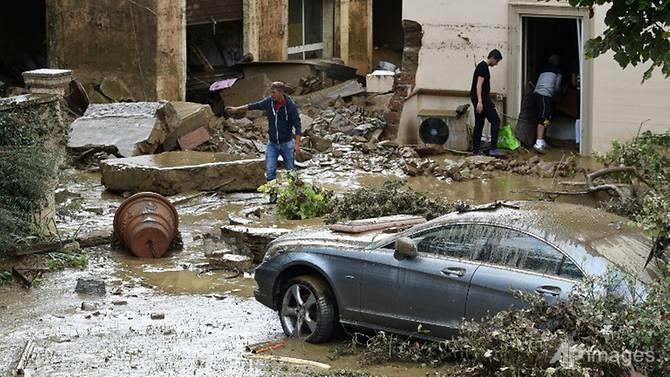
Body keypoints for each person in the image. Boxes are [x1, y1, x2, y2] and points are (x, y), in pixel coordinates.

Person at [226, 81, 302, 187]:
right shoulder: (269, 102)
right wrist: (237, 109)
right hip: (272, 144)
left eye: (274, 93)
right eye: (271, 93)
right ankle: (272, 196)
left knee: (291, 171)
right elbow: (253, 106)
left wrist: (297, 145)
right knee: (270, 171)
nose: (272, 95)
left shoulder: (290, 107)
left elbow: (298, 127)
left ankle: (294, 194)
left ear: (281, 92)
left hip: (287, 144)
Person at [470, 49, 503, 156]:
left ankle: (476, 150)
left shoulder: (482, 66)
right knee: (496, 121)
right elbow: (478, 85)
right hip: (482, 99)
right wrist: (480, 102)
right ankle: (493, 148)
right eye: (497, 61)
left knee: (479, 124)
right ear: (493, 58)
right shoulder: (483, 67)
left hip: (481, 99)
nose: (497, 64)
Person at [530, 54, 563, 153]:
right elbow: (557, 87)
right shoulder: (558, 71)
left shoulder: (543, 69)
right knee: (544, 117)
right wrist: (558, 97)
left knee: (546, 117)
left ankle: (542, 139)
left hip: (537, 94)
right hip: (545, 95)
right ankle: (538, 142)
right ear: (557, 62)